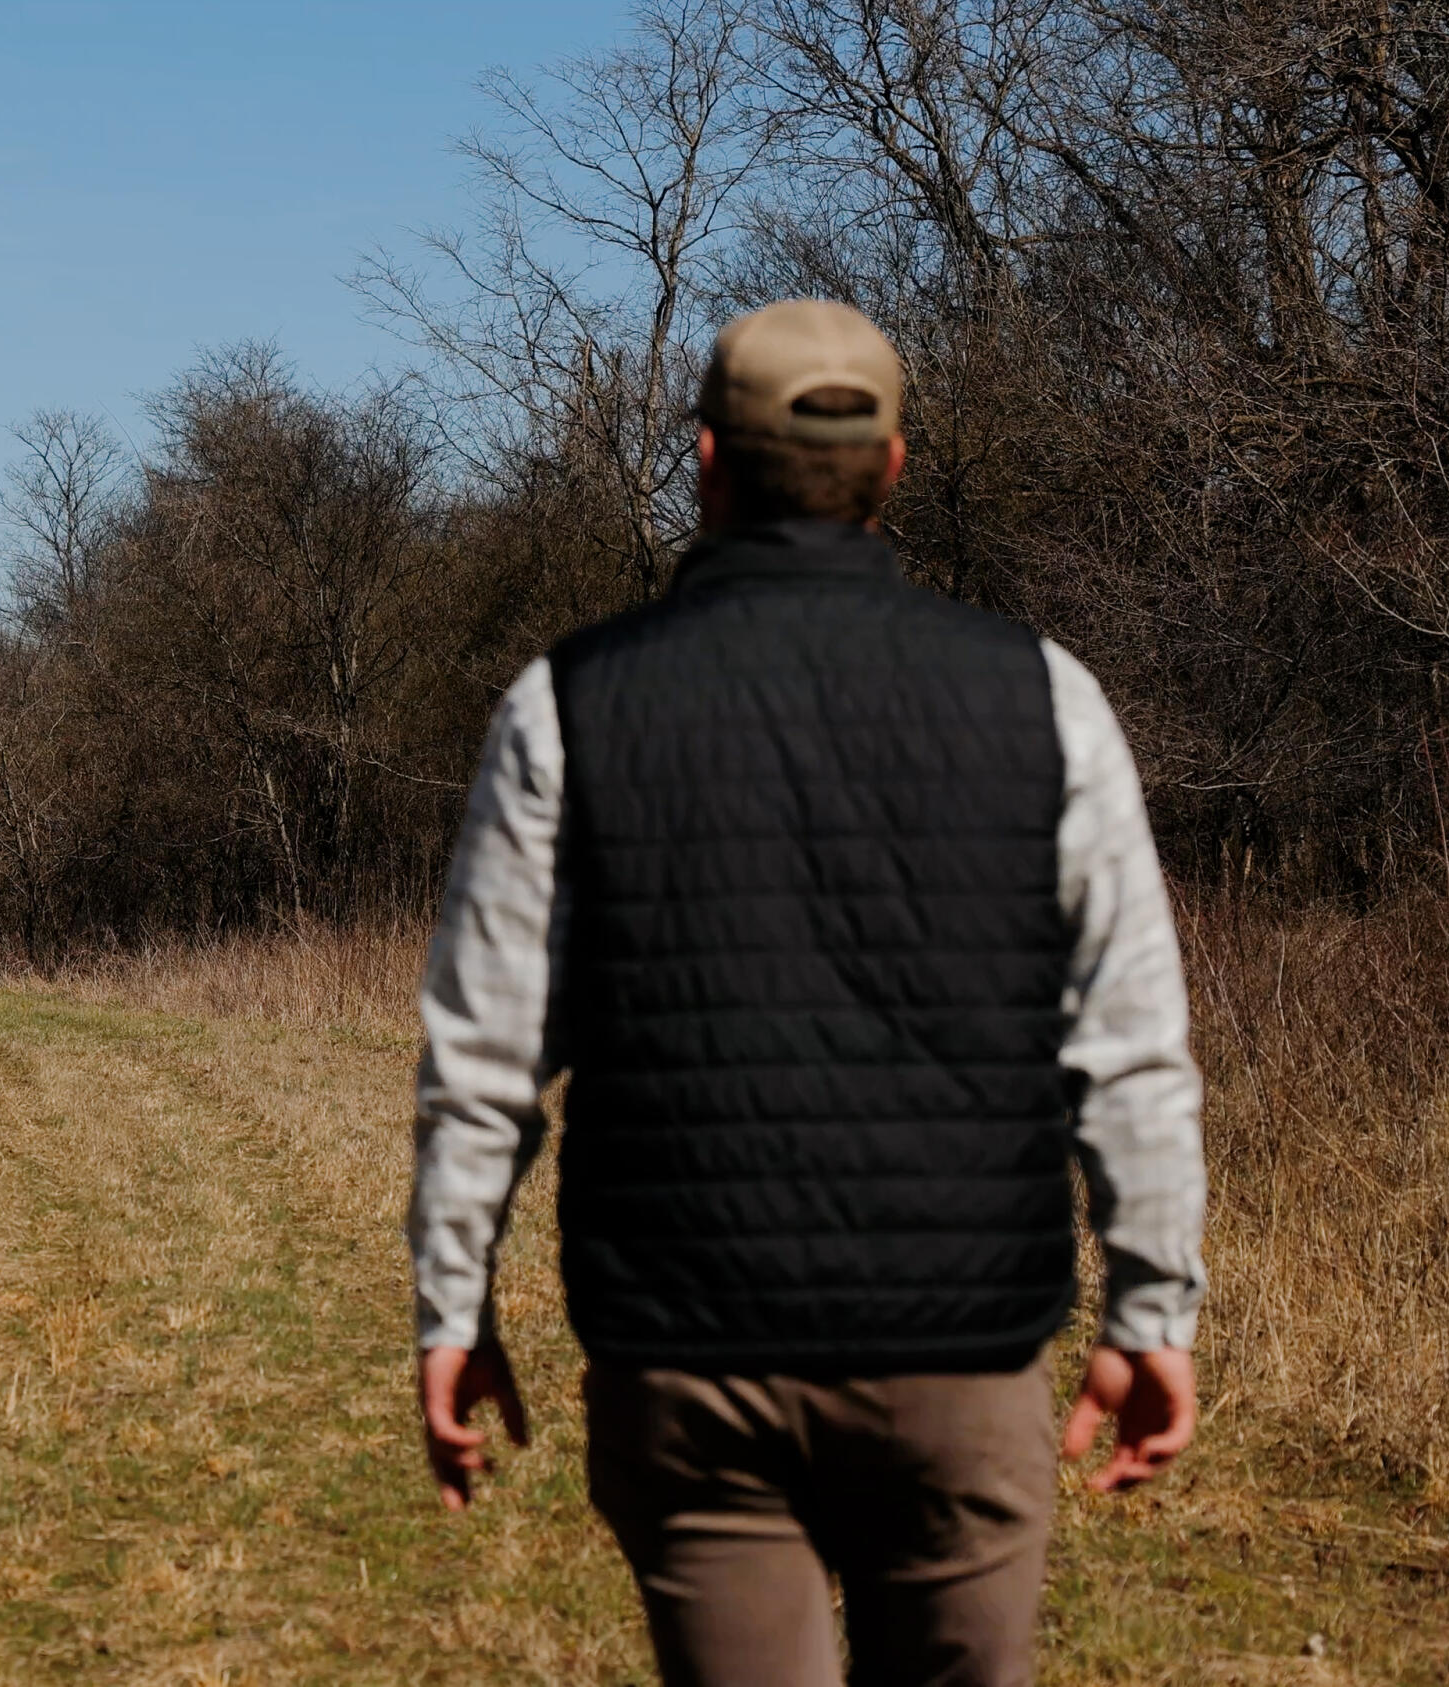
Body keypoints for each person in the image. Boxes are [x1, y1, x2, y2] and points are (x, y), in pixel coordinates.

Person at [405, 299, 1207, 1687]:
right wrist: (1150, 1311)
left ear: (706, 460)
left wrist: (450, 1306)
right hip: (962, 1349)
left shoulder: (569, 704)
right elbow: (1128, 1047)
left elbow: (485, 1054)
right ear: (893, 470)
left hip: (685, 1357)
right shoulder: (1046, 697)